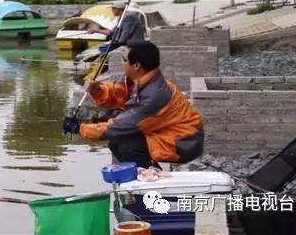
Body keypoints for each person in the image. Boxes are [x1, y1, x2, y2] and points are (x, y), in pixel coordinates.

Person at [63, 41, 204, 168]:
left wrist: (79, 128)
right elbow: (117, 93)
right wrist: (97, 90)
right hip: (164, 132)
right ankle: (145, 175)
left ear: (136, 66)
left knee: (128, 144)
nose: (122, 63)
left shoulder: (153, 96)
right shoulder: (140, 79)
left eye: (125, 60)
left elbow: (117, 127)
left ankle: (145, 189)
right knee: (116, 141)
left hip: (184, 141)